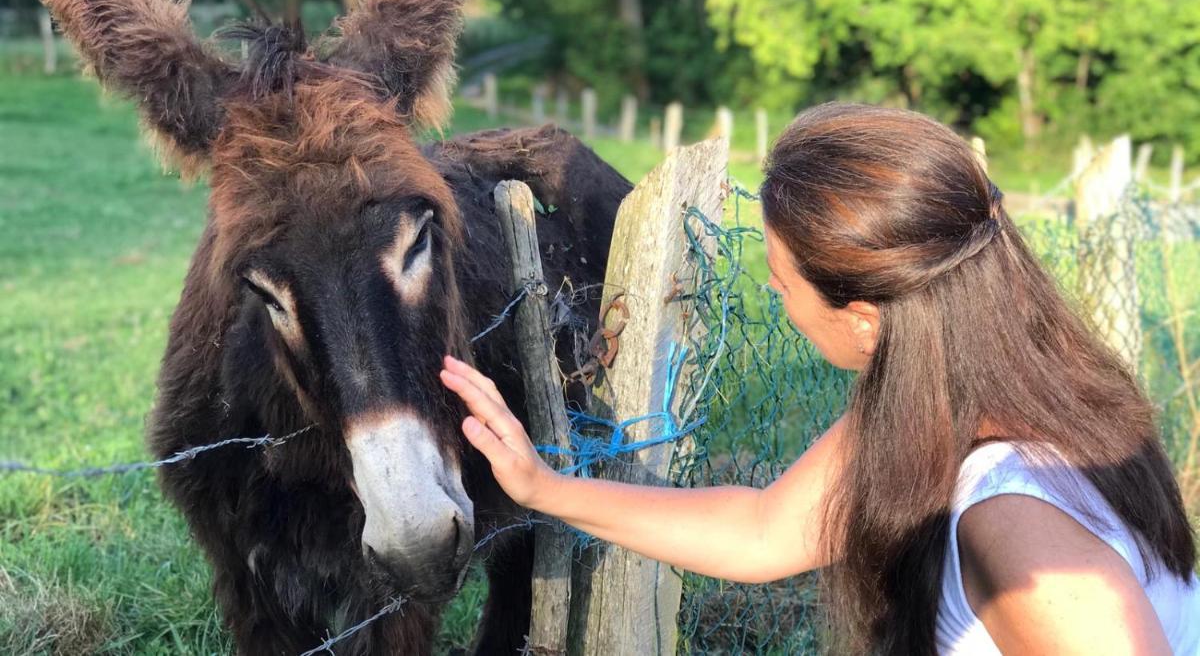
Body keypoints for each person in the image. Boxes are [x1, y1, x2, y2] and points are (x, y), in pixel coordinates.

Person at [440, 102, 1200, 655]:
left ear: (866, 318)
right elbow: (762, 530)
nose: (772, 294)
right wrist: (542, 487)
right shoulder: (986, 394)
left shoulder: (1015, 522)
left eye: (781, 278)